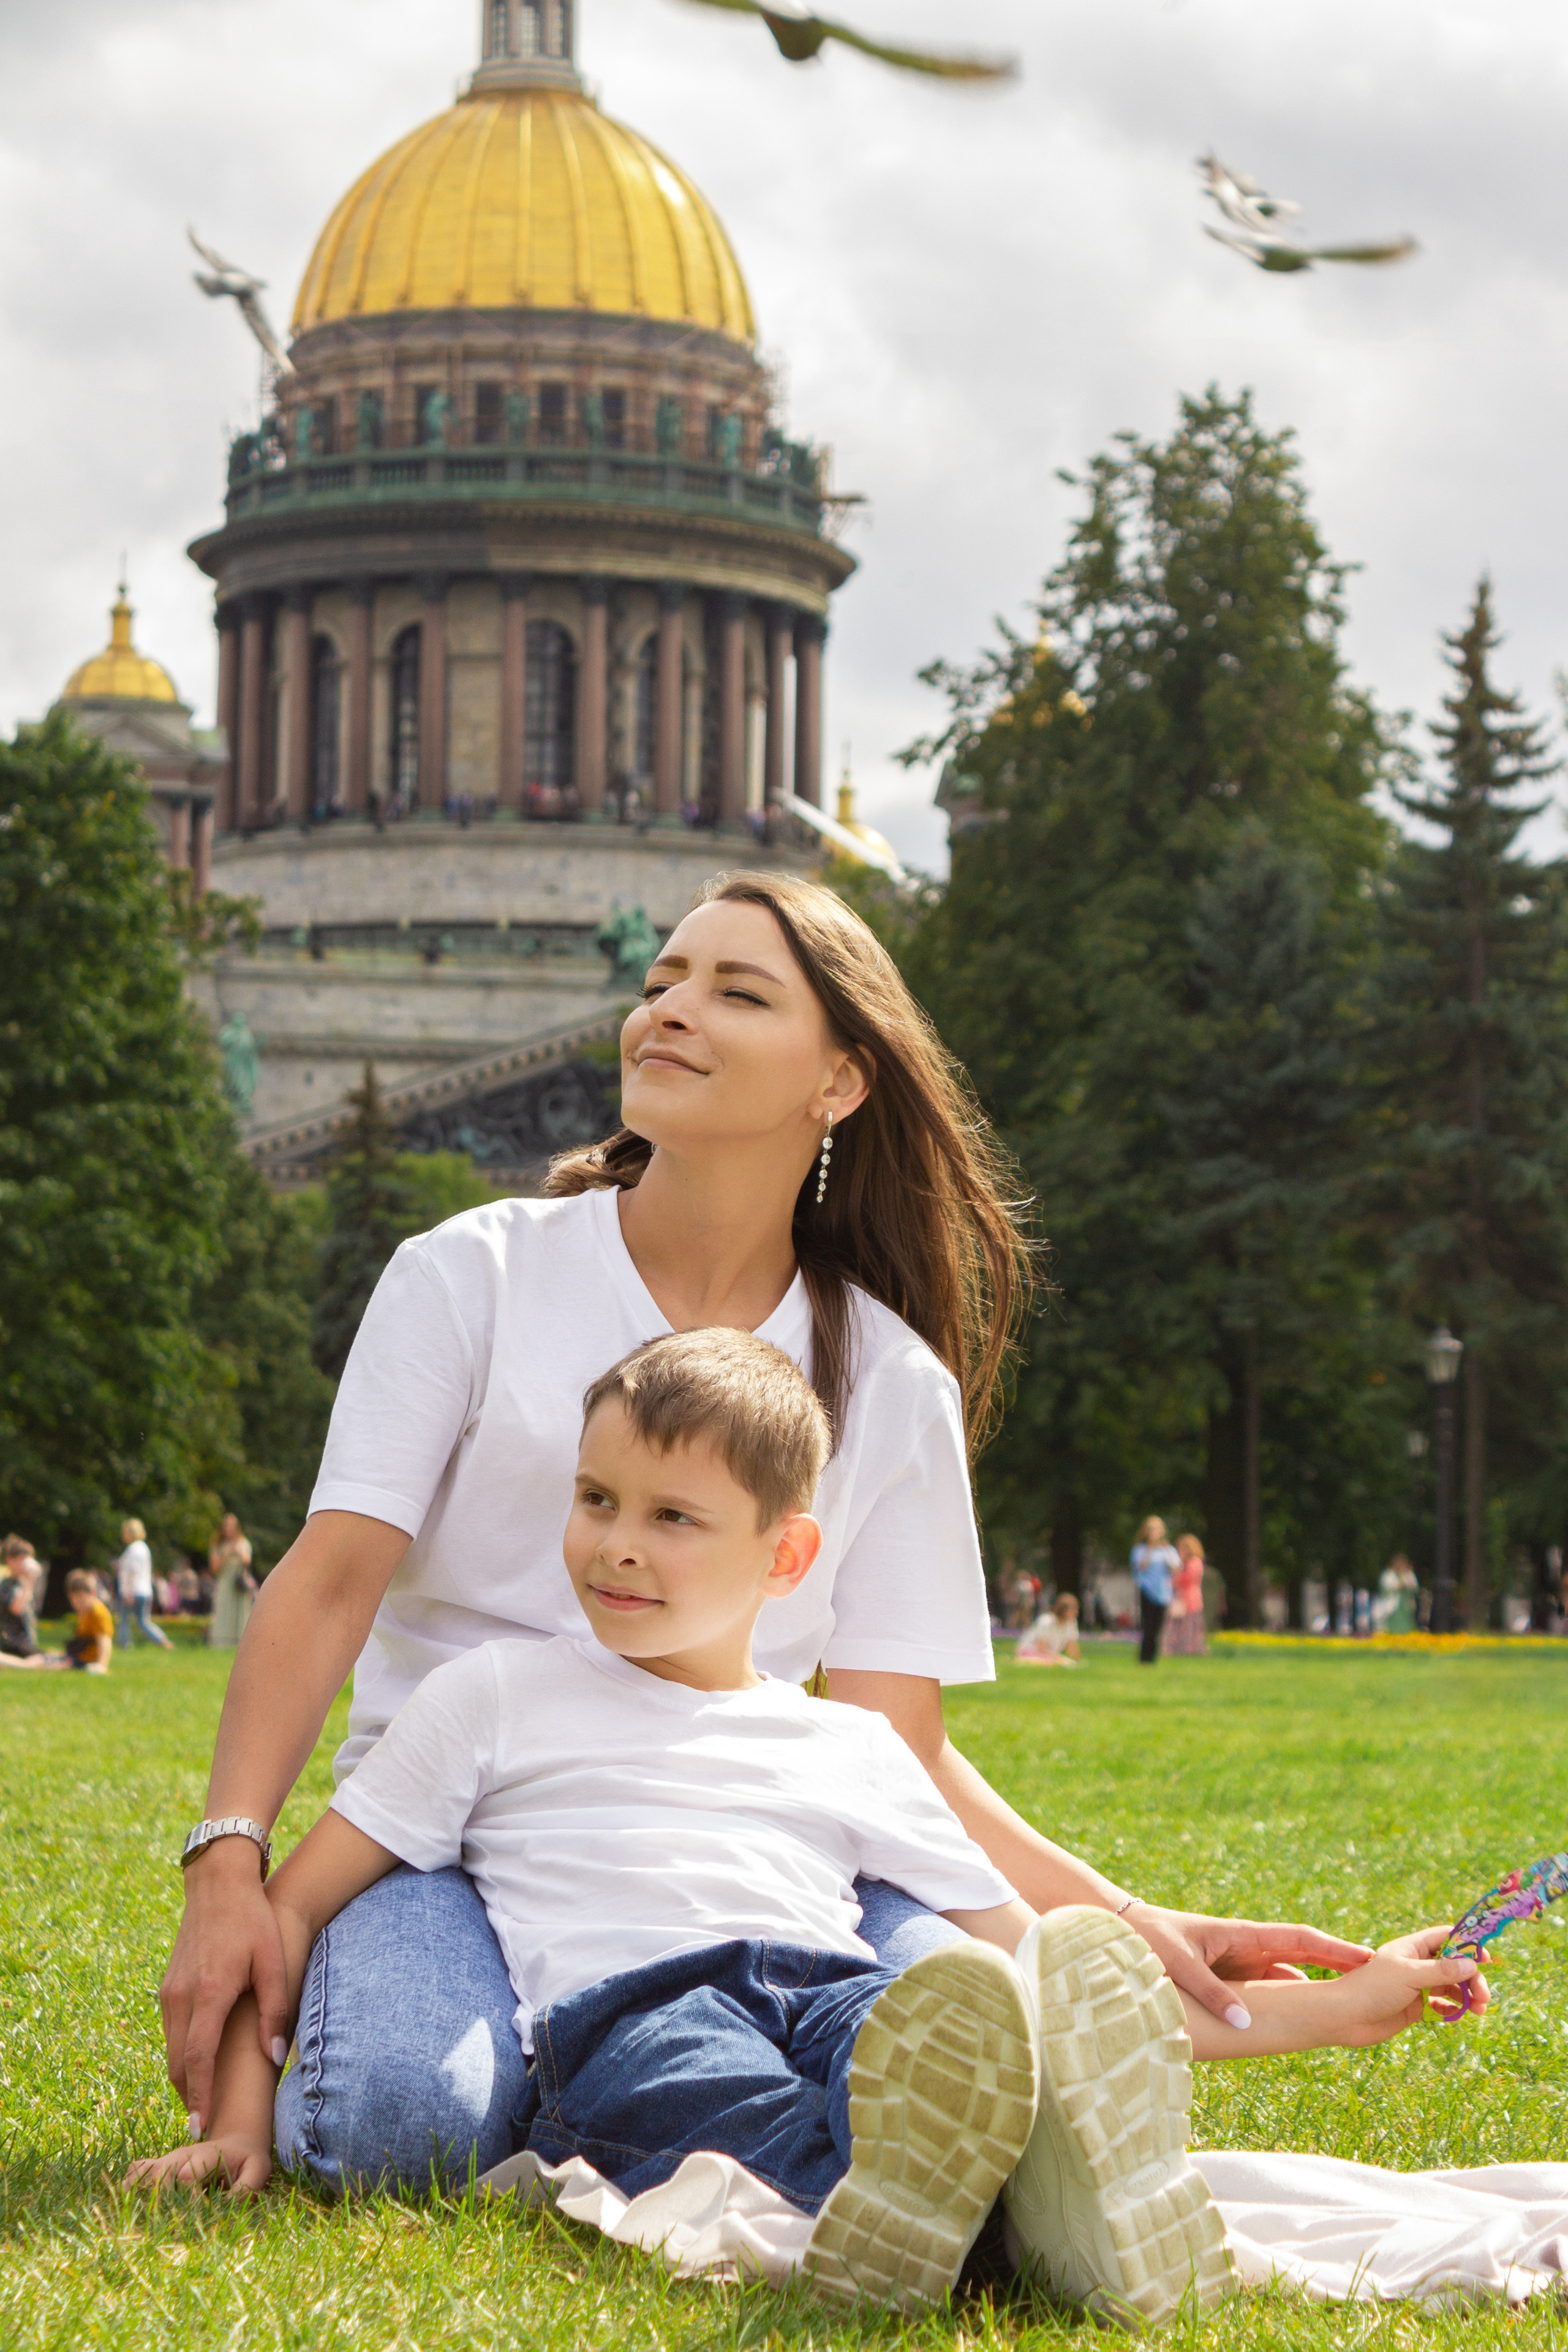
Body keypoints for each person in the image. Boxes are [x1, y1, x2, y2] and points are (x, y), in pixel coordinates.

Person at [160, 872, 1373, 2191]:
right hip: (438, 1836)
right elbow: (328, 1585)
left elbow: (895, 1747)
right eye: (658, 983)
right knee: (397, 2124)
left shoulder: (889, 1377)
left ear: (839, 1083)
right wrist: (229, 1856)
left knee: (986, 2034)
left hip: (734, 1856)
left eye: (734, 993)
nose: (669, 1011)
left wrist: (1127, 1921)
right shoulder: (471, 1271)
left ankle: (817, 2129)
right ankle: (661, 2096)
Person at [130, 1331, 1483, 2323]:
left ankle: (1000, 2188)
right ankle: (1010, 2222)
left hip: (840, 1995)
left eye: (672, 1518)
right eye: (595, 1502)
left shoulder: (847, 1746)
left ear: (784, 1559)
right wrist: (242, 2119)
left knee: (969, 2018)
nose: (615, 1545)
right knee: (730, 2105)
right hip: (628, 2011)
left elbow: (1051, 1971)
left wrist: (1351, 2000)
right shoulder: (494, 1695)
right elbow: (296, 1907)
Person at [115, 1520, 172, 1651]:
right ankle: (162, 1640)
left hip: (135, 1591)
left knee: (125, 1619)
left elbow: (134, 1572)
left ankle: (126, 1645)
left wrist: (130, 1592)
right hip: (144, 1590)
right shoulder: (143, 1548)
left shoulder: (134, 1549)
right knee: (142, 1621)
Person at [1130, 1516, 1179, 1664]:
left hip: (1163, 1593)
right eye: (1151, 1530)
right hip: (1147, 1591)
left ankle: (1153, 1658)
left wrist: (1166, 1550)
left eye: (1157, 1530)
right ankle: (1144, 1658)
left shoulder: (1168, 1549)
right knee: (1148, 1626)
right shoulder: (1140, 1549)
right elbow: (1142, 1567)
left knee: (1158, 1628)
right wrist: (1151, 1548)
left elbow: (1176, 1567)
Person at [208, 1515, 257, 1649]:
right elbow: (214, 1569)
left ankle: (240, 1644)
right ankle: (221, 1643)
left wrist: (239, 1553)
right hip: (225, 1582)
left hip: (239, 1583)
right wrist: (225, 1554)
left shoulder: (243, 1543)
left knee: (241, 1612)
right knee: (223, 1610)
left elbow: (248, 1563)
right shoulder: (218, 1544)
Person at [61, 1571, 114, 1673]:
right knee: (44, 1657)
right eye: (74, 1600)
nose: (77, 1603)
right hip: (78, 1656)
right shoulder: (84, 1611)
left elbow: (104, 1640)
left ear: (93, 1593)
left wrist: (102, 1665)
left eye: (81, 1598)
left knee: (46, 1663)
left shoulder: (98, 1612)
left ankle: (22, 1664)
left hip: (87, 1660)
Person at [1167, 1534, 1209, 1657]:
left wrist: (1175, 1576)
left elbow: (1186, 1580)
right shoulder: (1193, 1563)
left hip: (1189, 1601)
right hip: (1189, 1600)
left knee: (1187, 1627)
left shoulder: (1193, 1563)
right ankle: (1184, 1649)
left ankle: (1189, 1649)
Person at [1014, 1591, 1080, 1665]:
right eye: (1073, 1609)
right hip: (1030, 1650)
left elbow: (1072, 1645)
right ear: (1063, 1610)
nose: (1076, 1612)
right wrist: (1058, 1658)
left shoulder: (1072, 1623)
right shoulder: (1046, 1622)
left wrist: (1077, 1661)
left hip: (1050, 1655)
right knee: (1050, 1662)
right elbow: (1041, 1648)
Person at [1376, 1554, 1420, 1635]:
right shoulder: (1389, 1575)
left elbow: (1415, 1589)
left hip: (1405, 1605)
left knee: (1408, 1623)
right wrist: (1397, 1587)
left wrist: (1408, 1587)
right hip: (1393, 1605)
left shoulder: (1409, 1575)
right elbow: (1385, 1589)